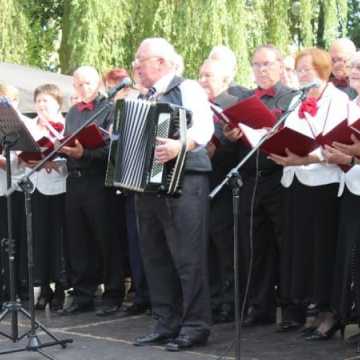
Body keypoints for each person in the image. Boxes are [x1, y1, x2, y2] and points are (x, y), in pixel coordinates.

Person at [132, 37, 213, 351]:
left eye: (141, 59)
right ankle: (165, 322)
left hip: (186, 180)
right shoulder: (142, 96)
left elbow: (204, 128)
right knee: (154, 255)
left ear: (162, 62)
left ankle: (195, 326)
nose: (136, 65)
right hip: (147, 184)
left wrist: (181, 145)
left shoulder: (188, 87)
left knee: (188, 257)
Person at [268, 48, 347, 339]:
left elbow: (335, 142)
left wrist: (306, 158)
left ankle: (328, 312)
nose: (301, 75)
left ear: (323, 70)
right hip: (295, 180)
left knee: (322, 249)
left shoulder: (338, 100)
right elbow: (291, 133)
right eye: (298, 70)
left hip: (323, 182)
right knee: (300, 249)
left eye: (306, 69)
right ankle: (309, 309)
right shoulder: (296, 99)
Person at [223, 45, 295, 328]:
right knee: (255, 246)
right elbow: (233, 142)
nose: (262, 70)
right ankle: (260, 306)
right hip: (250, 179)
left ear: (279, 66)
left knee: (285, 245)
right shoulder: (245, 99)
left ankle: (291, 309)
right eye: (257, 65)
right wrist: (231, 135)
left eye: (267, 64)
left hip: (279, 178)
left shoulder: (290, 96)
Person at [59, 66, 125, 316]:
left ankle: (113, 293)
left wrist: (84, 153)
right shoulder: (73, 113)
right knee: (78, 240)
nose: (82, 89)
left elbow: (113, 149)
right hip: (74, 181)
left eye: (87, 84)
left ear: (98, 84)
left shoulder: (109, 109)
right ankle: (82, 294)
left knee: (105, 238)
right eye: (78, 84)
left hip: (98, 180)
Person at [199, 56, 247, 323]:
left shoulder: (232, 105)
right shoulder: (198, 104)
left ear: (225, 80)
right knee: (206, 247)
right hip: (200, 183)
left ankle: (230, 302)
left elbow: (240, 149)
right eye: (201, 75)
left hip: (226, 185)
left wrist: (222, 147)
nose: (203, 80)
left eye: (209, 76)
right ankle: (214, 299)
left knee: (226, 248)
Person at [323, 51, 360, 346]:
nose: (354, 70)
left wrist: (354, 153)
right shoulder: (351, 104)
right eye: (354, 65)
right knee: (353, 259)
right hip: (351, 186)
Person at [21, 84, 67, 311]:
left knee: (58, 238)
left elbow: (72, 158)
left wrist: (53, 162)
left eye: (45, 101)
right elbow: (19, 153)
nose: (41, 105)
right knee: (39, 239)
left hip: (59, 188)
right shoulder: (30, 126)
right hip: (35, 186)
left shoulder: (64, 125)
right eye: (38, 101)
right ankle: (44, 289)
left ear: (57, 103)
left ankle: (60, 287)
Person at [0, 84, 28, 307]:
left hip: (12, 191)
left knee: (12, 241)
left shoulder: (18, 125)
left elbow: (19, 163)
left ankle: (15, 288)